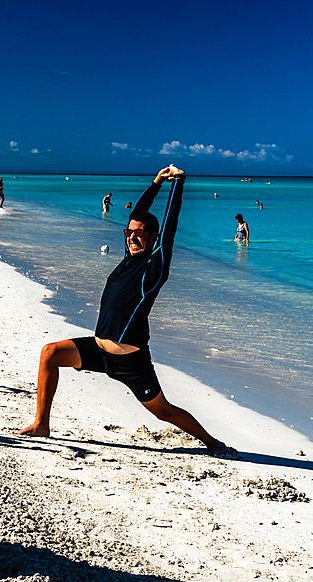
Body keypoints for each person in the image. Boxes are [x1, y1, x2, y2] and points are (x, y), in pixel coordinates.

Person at [18, 165, 239, 460]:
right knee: (50, 354)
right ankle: (42, 424)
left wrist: (178, 183)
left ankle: (212, 442)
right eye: (129, 233)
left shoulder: (154, 266)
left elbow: (171, 223)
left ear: (153, 237)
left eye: (140, 233)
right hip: (98, 349)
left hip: (130, 361)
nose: (132, 237)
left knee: (163, 411)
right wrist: (156, 182)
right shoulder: (126, 260)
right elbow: (137, 213)